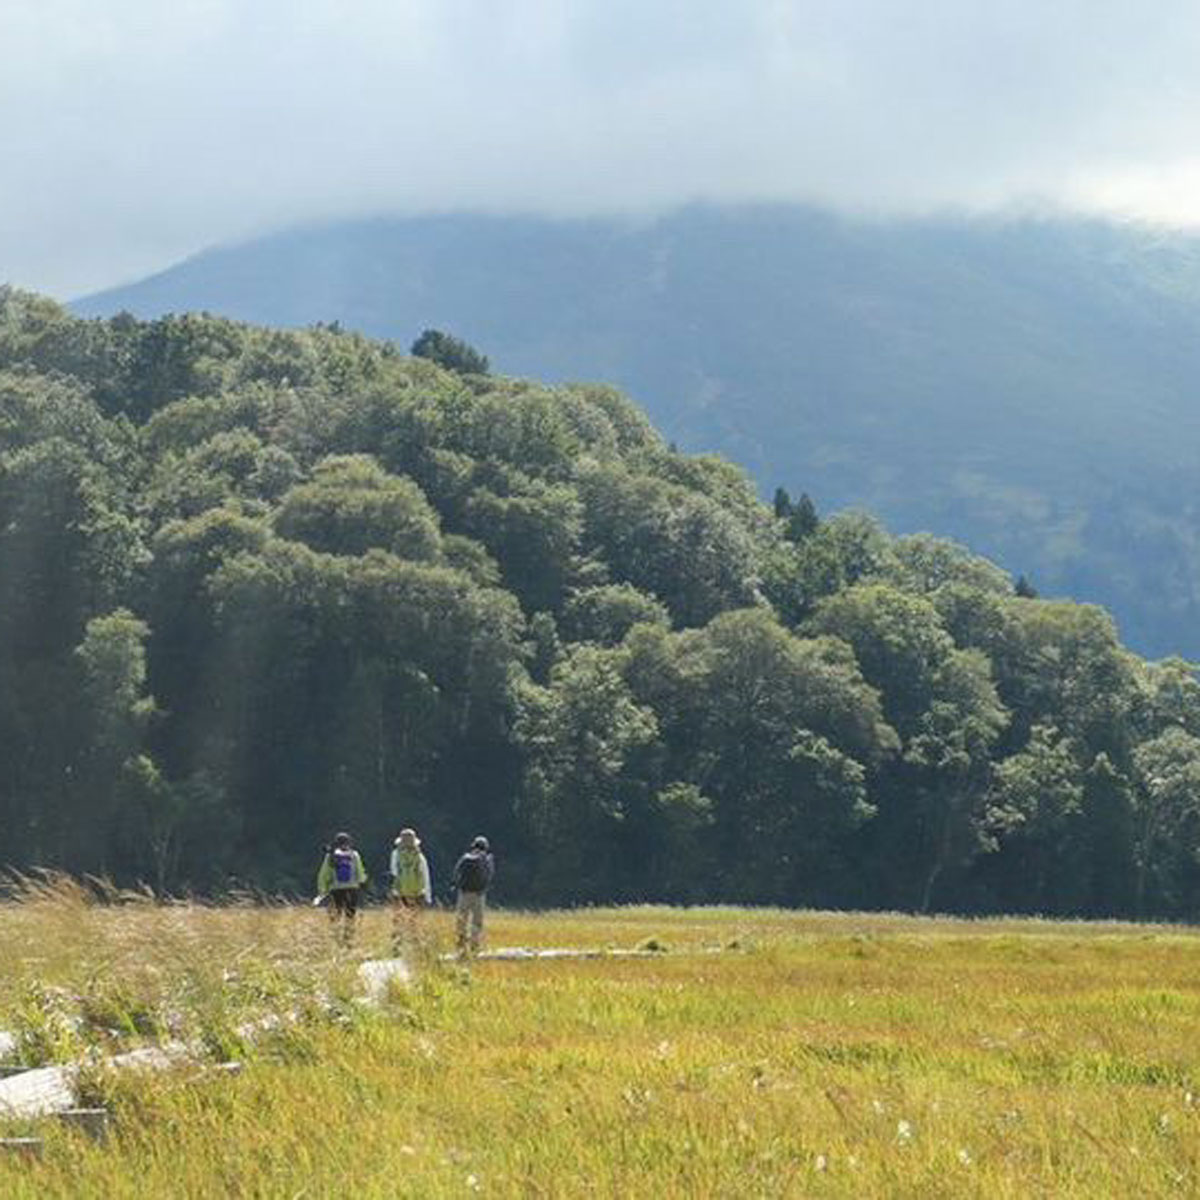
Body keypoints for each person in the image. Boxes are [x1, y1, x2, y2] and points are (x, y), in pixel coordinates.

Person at [316, 831, 368, 941]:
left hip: (336, 889)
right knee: (350, 915)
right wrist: (362, 882)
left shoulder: (330, 856)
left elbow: (324, 874)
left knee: (335, 914)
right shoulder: (354, 855)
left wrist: (322, 890)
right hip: (352, 888)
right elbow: (360, 872)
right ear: (349, 842)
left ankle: (335, 937)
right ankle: (348, 938)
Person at [388, 827, 432, 948]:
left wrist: (393, 890)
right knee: (414, 920)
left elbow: (394, 872)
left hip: (400, 892)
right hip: (417, 892)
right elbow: (425, 876)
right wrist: (427, 896)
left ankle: (397, 945)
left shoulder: (396, 854)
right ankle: (415, 944)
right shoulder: (419, 856)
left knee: (398, 919)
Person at [453, 835, 494, 957]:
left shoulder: (465, 857)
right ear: (485, 847)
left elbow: (456, 872)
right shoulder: (486, 859)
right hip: (479, 895)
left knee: (461, 919)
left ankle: (461, 945)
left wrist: (458, 886)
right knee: (477, 922)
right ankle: (474, 946)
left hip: (464, 893)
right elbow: (490, 876)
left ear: (473, 846)